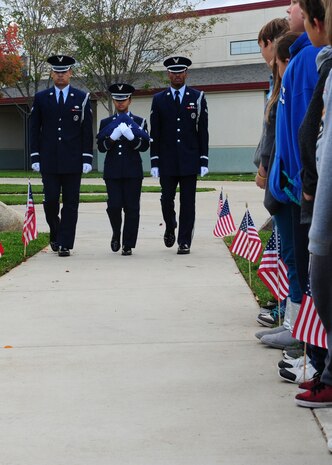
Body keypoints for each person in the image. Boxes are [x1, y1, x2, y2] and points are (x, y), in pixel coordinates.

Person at [261, 0, 321, 353]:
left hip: (300, 189)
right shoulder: (302, 59)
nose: (288, 8)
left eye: (295, 3)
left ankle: (307, 341)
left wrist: (297, 184)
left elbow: (305, 132)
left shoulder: (303, 63)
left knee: (304, 264)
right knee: (296, 260)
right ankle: (300, 330)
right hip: (293, 187)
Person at [30, 55, 93, 257]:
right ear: (51, 73)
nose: (60, 75)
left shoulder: (81, 98)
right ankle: (56, 233)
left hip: (73, 160)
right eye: (57, 72)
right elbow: (34, 129)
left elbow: (86, 131)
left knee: (71, 203)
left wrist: (86, 158)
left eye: (64, 72)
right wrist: (35, 156)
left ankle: (65, 242)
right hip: (49, 160)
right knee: (50, 202)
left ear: (70, 73)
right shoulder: (41, 98)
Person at [150, 56, 209, 255]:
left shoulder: (198, 97)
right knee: (166, 199)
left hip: (189, 159)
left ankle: (184, 241)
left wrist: (203, 159)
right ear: (168, 74)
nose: (177, 75)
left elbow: (203, 131)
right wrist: (154, 160)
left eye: (180, 71)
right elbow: (155, 133)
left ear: (186, 73)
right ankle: (170, 224)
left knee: (188, 201)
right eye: (173, 72)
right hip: (166, 160)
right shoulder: (159, 99)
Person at [96, 84, 150, 256]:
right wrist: (112, 138)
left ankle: (128, 243)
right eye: (117, 100)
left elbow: (144, 146)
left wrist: (132, 137)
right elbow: (102, 148)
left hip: (133, 171)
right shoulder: (106, 123)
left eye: (124, 99)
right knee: (113, 206)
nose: (121, 103)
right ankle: (116, 233)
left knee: (132, 208)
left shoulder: (139, 122)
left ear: (130, 100)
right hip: (113, 171)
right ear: (113, 100)